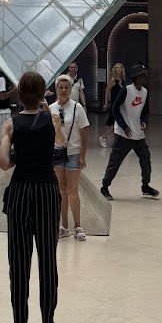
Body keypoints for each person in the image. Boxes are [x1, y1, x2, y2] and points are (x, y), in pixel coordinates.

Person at [0, 70, 65, 323]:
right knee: (47, 258)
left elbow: (3, 163)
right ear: (43, 94)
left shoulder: (10, 125)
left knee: (19, 262)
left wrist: (15, 151)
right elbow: (61, 144)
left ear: (18, 94)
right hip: (47, 191)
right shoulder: (51, 119)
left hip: (21, 191)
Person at [100, 63, 159, 201]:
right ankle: (104, 187)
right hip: (123, 134)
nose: (145, 77)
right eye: (143, 75)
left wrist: (144, 120)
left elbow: (144, 110)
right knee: (115, 162)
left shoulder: (144, 92)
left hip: (138, 134)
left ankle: (145, 186)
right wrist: (124, 126)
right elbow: (114, 109)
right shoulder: (126, 90)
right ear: (136, 77)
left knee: (146, 159)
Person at [51, 75, 90, 241]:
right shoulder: (51, 108)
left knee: (73, 191)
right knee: (61, 189)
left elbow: (85, 132)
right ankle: (64, 225)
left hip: (73, 152)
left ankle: (78, 226)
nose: (64, 90)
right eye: (61, 87)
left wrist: (83, 155)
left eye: (67, 87)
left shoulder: (77, 107)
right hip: (56, 153)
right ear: (56, 89)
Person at [98, 61, 125, 148]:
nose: (118, 69)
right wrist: (106, 103)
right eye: (116, 68)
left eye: (119, 67)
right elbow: (107, 91)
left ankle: (120, 141)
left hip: (122, 104)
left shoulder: (123, 79)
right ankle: (104, 137)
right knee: (114, 123)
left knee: (121, 122)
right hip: (115, 104)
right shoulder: (113, 79)